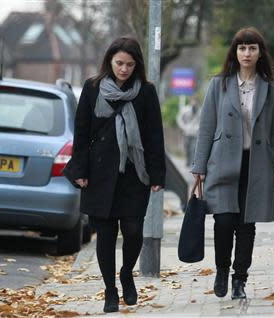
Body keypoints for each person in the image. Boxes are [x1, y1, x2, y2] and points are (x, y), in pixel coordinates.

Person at [68, 37, 166, 312]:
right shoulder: (93, 88)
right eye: (119, 63)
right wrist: (80, 171)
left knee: (134, 230)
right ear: (109, 62)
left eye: (130, 64)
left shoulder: (146, 92)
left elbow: (154, 135)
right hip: (99, 173)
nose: (124, 69)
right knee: (106, 234)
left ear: (137, 65)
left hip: (134, 171)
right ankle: (110, 290)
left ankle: (126, 273)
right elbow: (82, 131)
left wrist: (158, 174)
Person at [191, 27, 274, 299]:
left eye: (252, 48)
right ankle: (222, 270)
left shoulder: (273, 89)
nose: (246, 53)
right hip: (221, 163)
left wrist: (269, 153)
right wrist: (199, 166)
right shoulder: (218, 84)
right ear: (235, 52)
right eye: (242, 48)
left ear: (259, 52)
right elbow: (206, 127)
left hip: (255, 165)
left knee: (247, 225)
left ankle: (239, 280)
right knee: (223, 222)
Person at [176, 97, 201, 167]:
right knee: (187, 147)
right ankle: (188, 161)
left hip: (195, 133)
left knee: (193, 148)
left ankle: (191, 163)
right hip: (186, 133)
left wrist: (198, 128)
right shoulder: (185, 110)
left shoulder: (200, 111)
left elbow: (202, 121)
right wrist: (183, 127)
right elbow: (179, 119)